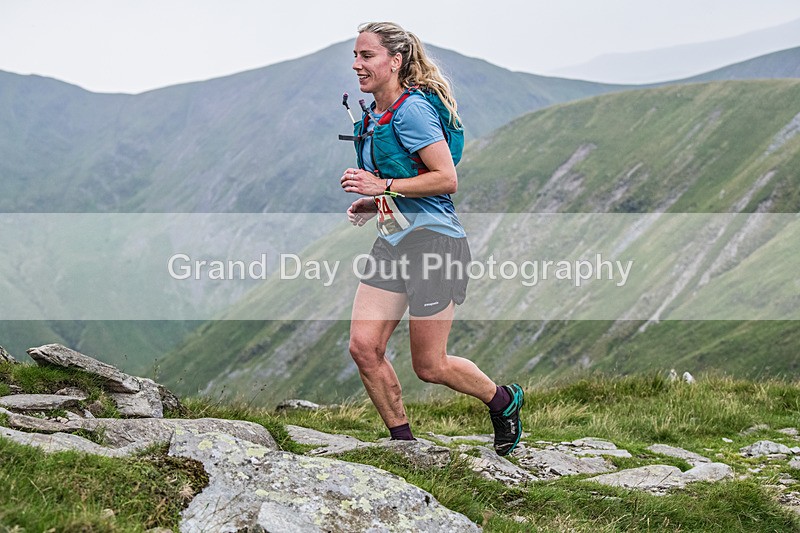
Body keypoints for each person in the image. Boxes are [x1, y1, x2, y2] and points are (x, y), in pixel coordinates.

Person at [339, 21, 524, 456]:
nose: (357, 65)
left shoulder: (413, 111)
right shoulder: (374, 115)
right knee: (364, 347)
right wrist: (373, 203)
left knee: (430, 365)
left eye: (366, 56)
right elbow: (404, 177)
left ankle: (503, 400)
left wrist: (380, 188)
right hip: (393, 241)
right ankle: (404, 445)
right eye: (356, 56)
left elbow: (446, 178)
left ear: (395, 61)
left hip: (436, 244)